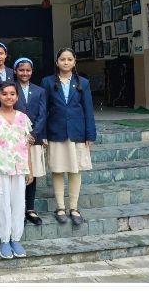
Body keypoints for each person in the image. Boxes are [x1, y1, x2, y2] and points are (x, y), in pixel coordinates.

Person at [41, 48, 96, 227]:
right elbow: (43, 110)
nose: (66, 62)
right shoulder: (48, 82)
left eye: (69, 59)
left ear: (74, 62)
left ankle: (74, 207)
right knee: (57, 170)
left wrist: (90, 134)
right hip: (55, 131)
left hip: (77, 132)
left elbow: (88, 109)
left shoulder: (83, 83)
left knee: (75, 169)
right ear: (57, 62)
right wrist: (42, 134)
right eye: (62, 59)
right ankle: (60, 207)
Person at [0, 81, 33, 259]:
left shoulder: (23, 118)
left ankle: (16, 239)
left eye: (12, 94)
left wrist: (29, 169)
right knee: (3, 204)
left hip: (19, 167)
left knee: (19, 204)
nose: (8, 97)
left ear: (17, 97)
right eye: (4, 94)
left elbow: (27, 145)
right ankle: (4, 240)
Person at [13, 57, 47, 226]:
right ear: (15, 71)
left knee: (31, 174)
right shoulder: (11, 89)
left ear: (32, 72)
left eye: (28, 70)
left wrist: (34, 134)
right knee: (17, 173)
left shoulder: (39, 91)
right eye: (21, 70)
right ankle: (18, 209)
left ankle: (30, 208)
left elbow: (42, 114)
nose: (24, 73)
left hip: (33, 139)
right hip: (14, 139)